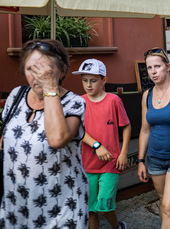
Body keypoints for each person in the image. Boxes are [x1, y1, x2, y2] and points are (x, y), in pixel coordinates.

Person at [0, 39, 89, 228]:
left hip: (60, 207)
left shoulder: (73, 103)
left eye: (45, 70)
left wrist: (50, 88)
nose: (38, 76)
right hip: (16, 206)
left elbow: (57, 139)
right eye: (31, 69)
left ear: (62, 71)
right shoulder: (15, 96)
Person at [72, 59, 131, 229]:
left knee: (105, 207)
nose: (88, 85)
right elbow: (77, 130)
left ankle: (118, 226)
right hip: (87, 165)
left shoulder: (113, 100)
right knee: (91, 211)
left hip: (110, 164)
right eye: (84, 80)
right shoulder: (79, 102)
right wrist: (96, 145)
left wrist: (124, 152)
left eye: (93, 80)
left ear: (104, 80)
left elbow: (126, 126)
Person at [136, 48, 170, 229]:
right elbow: (145, 129)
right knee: (163, 201)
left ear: (168, 66)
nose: (153, 71)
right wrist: (141, 160)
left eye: (157, 66)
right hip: (155, 159)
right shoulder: (147, 95)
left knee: (169, 205)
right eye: (149, 68)